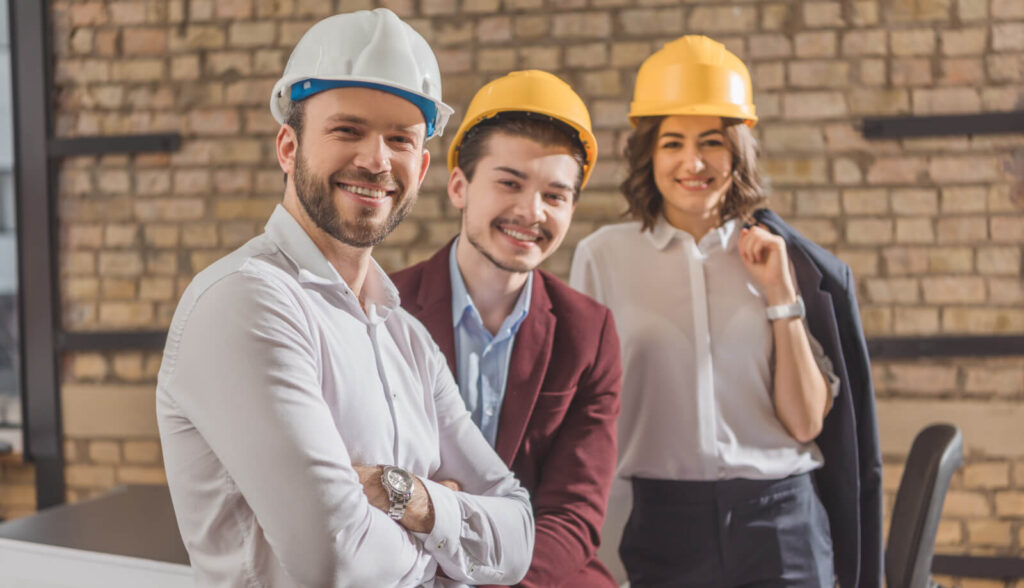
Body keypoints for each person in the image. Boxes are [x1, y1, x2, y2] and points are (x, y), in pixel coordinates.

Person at [156, 10, 535, 587]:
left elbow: (520, 535)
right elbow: (339, 564)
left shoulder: (405, 335)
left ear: (423, 165)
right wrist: (450, 543)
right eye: (347, 130)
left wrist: (407, 498)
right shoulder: (247, 303)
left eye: (400, 140)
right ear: (288, 146)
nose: (377, 161)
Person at [570, 36, 882, 587]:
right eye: (673, 143)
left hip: (782, 518)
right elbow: (587, 413)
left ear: (737, 152)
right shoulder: (604, 257)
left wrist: (781, 296)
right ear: (650, 154)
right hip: (661, 524)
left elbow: (807, 422)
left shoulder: (781, 257)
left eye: (711, 142)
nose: (693, 162)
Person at [391, 70, 621, 587]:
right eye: (510, 183)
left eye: (555, 196)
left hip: (534, 573)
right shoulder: (384, 307)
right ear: (459, 186)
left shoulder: (589, 333)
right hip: (407, 564)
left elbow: (573, 513)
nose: (531, 212)